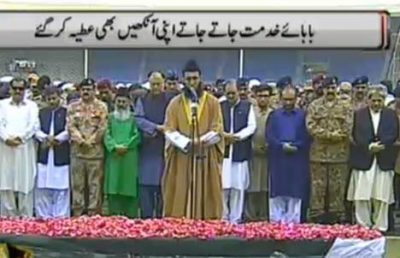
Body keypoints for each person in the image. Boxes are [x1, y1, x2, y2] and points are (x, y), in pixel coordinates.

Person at [162, 59, 224, 219]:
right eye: (188, 79)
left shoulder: (213, 103)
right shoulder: (174, 104)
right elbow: (169, 129)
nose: (192, 83)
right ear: (183, 80)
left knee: (207, 193)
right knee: (180, 191)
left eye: (195, 79)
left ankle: (206, 226)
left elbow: (217, 129)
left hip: (205, 157)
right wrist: (186, 142)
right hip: (182, 156)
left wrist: (201, 140)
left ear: (200, 78)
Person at [348, 89, 398, 232]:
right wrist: (369, 146)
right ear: (368, 100)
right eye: (373, 100)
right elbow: (356, 134)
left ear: (383, 101)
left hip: (384, 159)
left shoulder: (390, 115)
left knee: (381, 196)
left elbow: (393, 133)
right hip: (364, 158)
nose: (376, 103)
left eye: (379, 100)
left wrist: (381, 145)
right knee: (362, 195)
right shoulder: (359, 115)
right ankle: (363, 225)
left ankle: (380, 226)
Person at [306, 76, 353, 224]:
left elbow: (348, 127)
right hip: (318, 155)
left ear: (337, 88)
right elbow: (310, 126)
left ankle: (337, 216)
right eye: (328, 88)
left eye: (333, 88)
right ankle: (317, 216)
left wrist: (335, 136)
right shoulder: (314, 105)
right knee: (318, 187)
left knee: (337, 187)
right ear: (323, 89)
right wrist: (329, 135)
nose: (330, 91)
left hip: (339, 155)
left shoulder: (346, 106)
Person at [266, 86, 310, 223]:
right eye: (285, 99)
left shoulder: (303, 115)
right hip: (278, 159)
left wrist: (296, 145)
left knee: (295, 194)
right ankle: (276, 226)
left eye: (291, 99)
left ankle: (293, 228)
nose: (288, 103)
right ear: (280, 99)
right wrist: (281, 145)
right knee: (277, 194)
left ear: (296, 99)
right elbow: (269, 135)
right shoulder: (274, 115)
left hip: (297, 160)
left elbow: (307, 136)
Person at [67, 78, 108, 216]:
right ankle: (77, 213)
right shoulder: (72, 107)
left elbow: (103, 127)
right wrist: (81, 140)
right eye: (83, 89)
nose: (86, 92)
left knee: (94, 185)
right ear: (79, 91)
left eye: (89, 89)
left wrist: (91, 140)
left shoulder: (102, 107)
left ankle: (93, 214)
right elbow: (70, 126)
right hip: (77, 153)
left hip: (95, 153)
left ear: (94, 90)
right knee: (77, 185)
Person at [135, 72, 172, 219]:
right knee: (146, 185)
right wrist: (155, 127)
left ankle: (162, 220)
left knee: (163, 186)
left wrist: (167, 127)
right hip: (148, 146)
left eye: (158, 84)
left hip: (166, 147)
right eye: (153, 84)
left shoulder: (171, 100)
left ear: (164, 84)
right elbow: (138, 118)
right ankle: (146, 220)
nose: (156, 87)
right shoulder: (142, 99)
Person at [0, 78, 39, 217]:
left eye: (21, 89)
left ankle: (26, 219)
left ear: (25, 90)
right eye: (15, 88)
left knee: (25, 182)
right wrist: (6, 138)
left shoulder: (32, 106)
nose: (17, 91)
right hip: (5, 148)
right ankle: (7, 219)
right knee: (5, 182)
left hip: (24, 148)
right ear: (10, 90)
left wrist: (20, 138)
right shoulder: (2, 105)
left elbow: (34, 125)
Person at [220, 80, 256, 224]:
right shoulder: (219, 106)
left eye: (233, 93)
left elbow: (251, 126)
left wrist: (238, 137)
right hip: (224, 154)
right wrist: (224, 136)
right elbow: (214, 126)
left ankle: (235, 219)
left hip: (240, 153)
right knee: (223, 188)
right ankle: (223, 218)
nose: (230, 96)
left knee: (238, 188)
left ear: (238, 93)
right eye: (227, 93)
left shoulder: (247, 107)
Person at [104, 87, 140, 218]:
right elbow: (106, 135)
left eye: (123, 102)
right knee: (113, 189)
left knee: (129, 189)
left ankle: (131, 221)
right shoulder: (110, 118)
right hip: (113, 157)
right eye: (118, 101)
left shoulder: (134, 119)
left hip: (129, 157)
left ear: (129, 102)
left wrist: (126, 146)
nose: (121, 104)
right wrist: (114, 146)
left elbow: (137, 136)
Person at [35, 87, 70, 218]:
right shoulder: (41, 112)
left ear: (60, 98)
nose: (52, 101)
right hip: (44, 153)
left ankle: (60, 217)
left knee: (61, 188)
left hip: (60, 152)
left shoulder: (66, 112)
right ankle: (44, 217)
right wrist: (45, 137)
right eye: (49, 99)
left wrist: (57, 139)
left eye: (54, 98)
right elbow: (36, 129)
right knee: (43, 188)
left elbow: (68, 130)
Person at [245, 84, 273, 221]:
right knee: (252, 186)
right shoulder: (250, 113)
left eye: (266, 96)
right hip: (252, 155)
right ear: (255, 97)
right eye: (260, 96)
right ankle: (250, 217)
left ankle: (264, 218)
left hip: (268, 156)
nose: (263, 99)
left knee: (265, 187)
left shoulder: (273, 113)